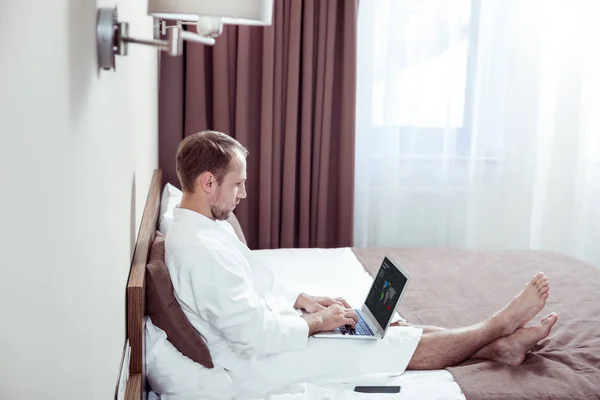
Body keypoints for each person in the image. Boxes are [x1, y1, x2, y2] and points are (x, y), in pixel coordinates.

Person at [165, 130, 558, 397]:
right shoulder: (200, 251)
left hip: (272, 336)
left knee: (385, 326)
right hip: (263, 362)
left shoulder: (202, 227)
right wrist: (318, 323)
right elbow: (254, 334)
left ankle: (500, 350)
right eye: (237, 184)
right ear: (208, 183)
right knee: (389, 341)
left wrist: (303, 299)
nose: (244, 194)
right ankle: (497, 326)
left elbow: (249, 282)